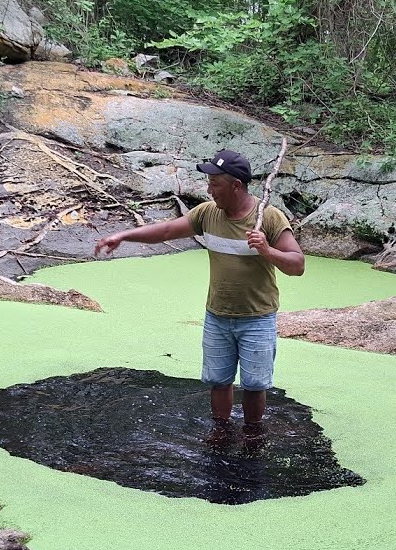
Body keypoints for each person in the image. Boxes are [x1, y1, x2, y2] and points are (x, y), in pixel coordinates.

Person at [94, 148, 305, 434]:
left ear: (236, 186)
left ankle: (252, 436)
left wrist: (267, 250)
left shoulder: (268, 218)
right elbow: (167, 231)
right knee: (218, 380)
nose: (209, 190)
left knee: (255, 384)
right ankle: (220, 432)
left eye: (215, 184)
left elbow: (297, 265)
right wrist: (123, 235)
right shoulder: (207, 214)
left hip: (257, 318)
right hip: (217, 315)